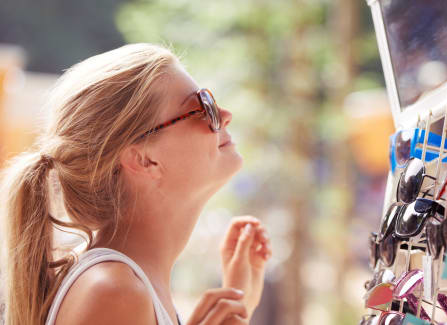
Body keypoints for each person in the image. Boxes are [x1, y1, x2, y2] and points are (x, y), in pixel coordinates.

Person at [0, 43, 272, 325]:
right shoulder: (114, 292)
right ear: (143, 159)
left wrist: (239, 304)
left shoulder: (127, 287)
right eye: (202, 106)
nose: (225, 114)